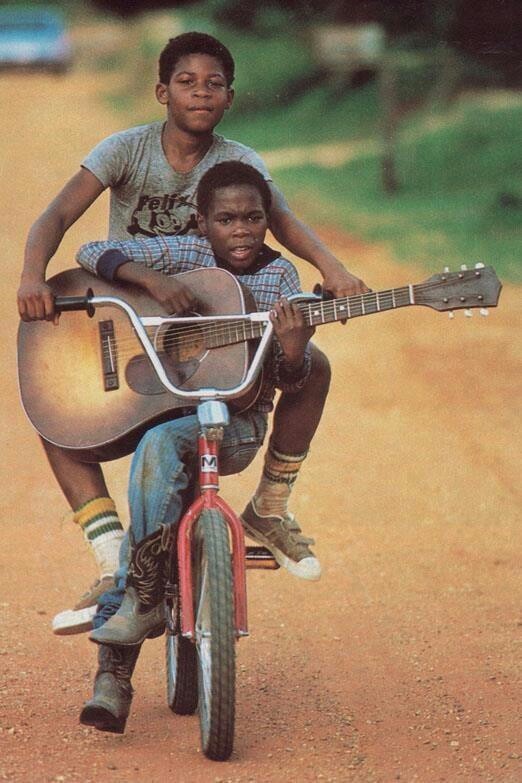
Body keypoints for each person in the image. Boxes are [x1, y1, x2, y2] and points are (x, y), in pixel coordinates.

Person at [17, 32, 369, 635]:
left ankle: (272, 506)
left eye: (213, 84)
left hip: (203, 338)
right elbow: (60, 218)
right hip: (135, 310)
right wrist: (32, 276)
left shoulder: (240, 164)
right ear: (161, 92)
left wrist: (331, 269)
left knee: (313, 364)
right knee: (56, 419)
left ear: (231, 97)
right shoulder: (127, 150)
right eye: (186, 82)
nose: (200, 92)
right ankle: (110, 561)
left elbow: (281, 220)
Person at [79, 160, 316, 733]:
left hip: (234, 428)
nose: (241, 230)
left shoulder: (281, 281)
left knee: (161, 445)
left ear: (268, 222)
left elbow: (293, 379)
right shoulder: (183, 255)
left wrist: (291, 347)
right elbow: (90, 251)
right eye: (227, 219)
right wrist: (152, 281)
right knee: (156, 453)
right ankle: (117, 671)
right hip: (167, 410)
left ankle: (134, 610)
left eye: (254, 218)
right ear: (201, 223)